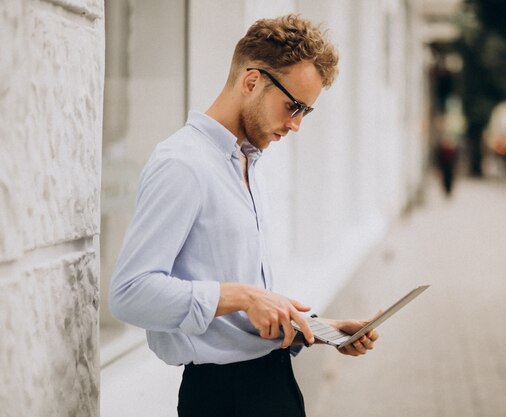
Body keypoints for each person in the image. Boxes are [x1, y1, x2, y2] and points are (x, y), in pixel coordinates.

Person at [109, 14, 379, 417]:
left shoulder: (248, 162)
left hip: (273, 382)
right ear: (251, 81)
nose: (297, 125)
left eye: (307, 111)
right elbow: (129, 295)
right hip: (223, 398)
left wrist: (319, 330)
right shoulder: (182, 163)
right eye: (293, 106)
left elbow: (241, 318)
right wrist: (243, 295)